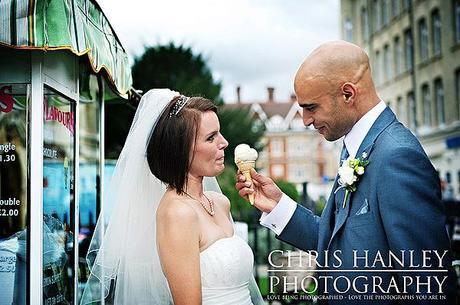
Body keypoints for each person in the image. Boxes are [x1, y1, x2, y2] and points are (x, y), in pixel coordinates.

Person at [236, 41, 457, 304]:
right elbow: (339, 242)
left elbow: (429, 284)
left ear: (348, 94)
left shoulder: (397, 156)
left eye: (311, 108)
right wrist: (276, 205)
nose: (305, 120)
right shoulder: (352, 147)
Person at [80, 89, 264, 305]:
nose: (224, 143)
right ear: (181, 149)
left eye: (219, 133)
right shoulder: (177, 213)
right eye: (211, 137)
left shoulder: (219, 202)